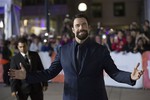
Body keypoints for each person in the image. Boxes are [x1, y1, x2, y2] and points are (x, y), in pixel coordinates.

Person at [9, 14, 144, 100]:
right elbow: (50, 73)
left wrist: (130, 77)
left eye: (84, 24)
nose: (81, 27)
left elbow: (114, 73)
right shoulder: (63, 50)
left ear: (89, 28)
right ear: (73, 30)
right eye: (77, 25)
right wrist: (27, 76)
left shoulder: (100, 50)